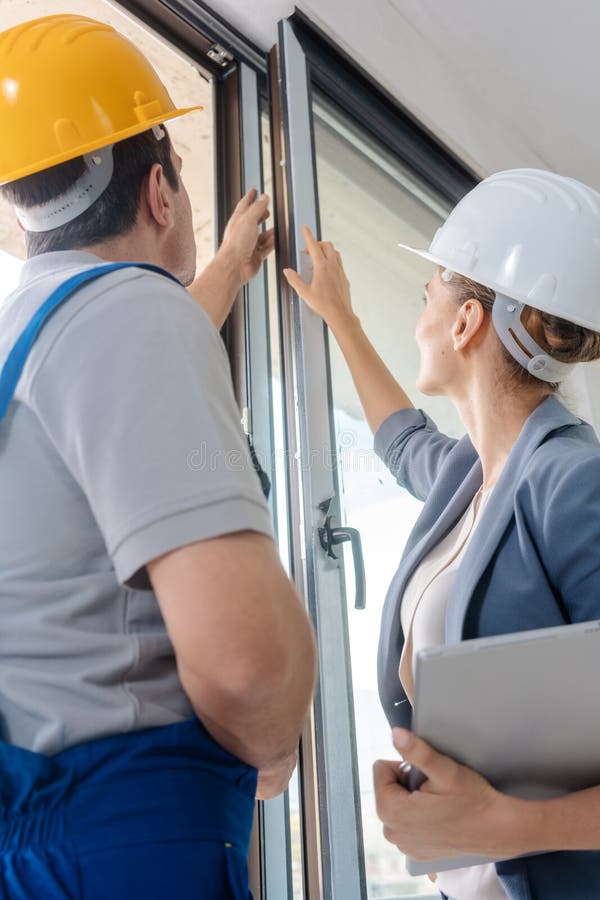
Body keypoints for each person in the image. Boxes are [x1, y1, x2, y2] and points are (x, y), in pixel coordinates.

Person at [0, 13, 316, 900]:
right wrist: (274, 744)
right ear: (161, 193)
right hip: (127, 848)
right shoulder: (136, 311)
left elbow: (103, 388)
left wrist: (215, 279)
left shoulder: (24, 335)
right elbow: (248, 664)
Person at [283, 168, 600, 899]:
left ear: (465, 324)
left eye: (428, 292)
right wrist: (342, 319)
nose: (419, 307)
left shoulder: (571, 484)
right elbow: (400, 442)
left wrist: (503, 827)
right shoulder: (471, 477)